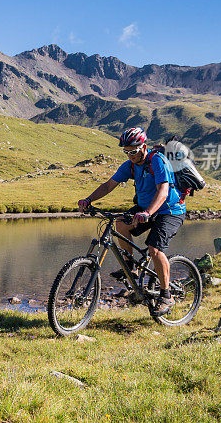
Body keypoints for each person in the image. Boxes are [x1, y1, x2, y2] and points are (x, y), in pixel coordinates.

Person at [77, 127, 185, 316]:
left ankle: (166, 295)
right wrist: (89, 200)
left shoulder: (158, 161)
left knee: (154, 248)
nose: (130, 155)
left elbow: (163, 191)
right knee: (120, 223)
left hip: (169, 211)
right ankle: (131, 268)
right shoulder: (130, 166)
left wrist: (148, 213)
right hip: (145, 209)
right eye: (126, 152)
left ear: (144, 147)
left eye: (133, 151)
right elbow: (109, 185)